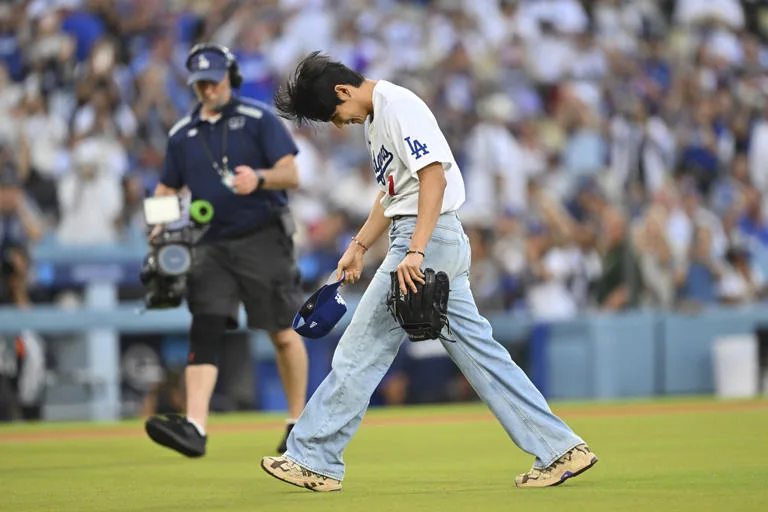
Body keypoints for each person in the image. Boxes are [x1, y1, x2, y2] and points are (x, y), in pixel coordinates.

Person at [260, 52, 598, 491]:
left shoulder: (398, 105)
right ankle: (559, 447)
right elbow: (392, 194)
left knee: (361, 349)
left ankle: (313, 458)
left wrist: (415, 253)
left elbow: (433, 177)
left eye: (334, 114)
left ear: (343, 91)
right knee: (480, 354)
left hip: (426, 240)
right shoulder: (376, 118)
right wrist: (359, 245)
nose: (338, 124)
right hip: (430, 237)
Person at [143, 43, 309, 457]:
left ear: (228, 77)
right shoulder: (182, 133)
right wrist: (159, 222)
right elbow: (167, 187)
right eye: (199, 81)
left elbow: (291, 173)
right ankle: (195, 427)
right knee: (206, 326)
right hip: (210, 242)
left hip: (262, 236)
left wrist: (260, 177)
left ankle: (298, 421)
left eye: (213, 79)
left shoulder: (257, 119)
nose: (207, 88)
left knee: (282, 331)